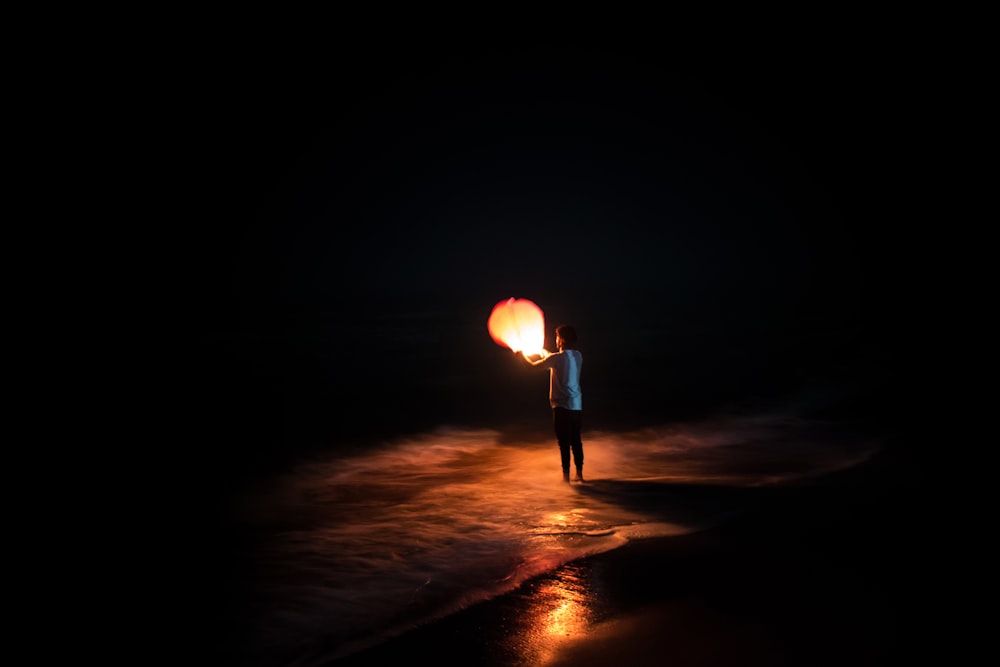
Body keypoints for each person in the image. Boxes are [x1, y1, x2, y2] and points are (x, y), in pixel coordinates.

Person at [523, 324, 584, 482]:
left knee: (563, 442)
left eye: (557, 337)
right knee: (576, 440)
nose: (555, 340)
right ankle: (579, 474)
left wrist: (520, 354)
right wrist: (541, 350)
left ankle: (566, 478)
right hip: (576, 406)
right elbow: (556, 358)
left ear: (562, 339)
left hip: (561, 407)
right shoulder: (578, 356)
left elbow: (531, 368)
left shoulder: (555, 359)